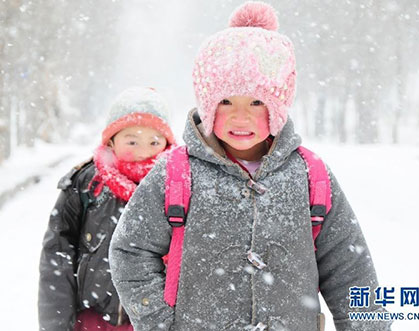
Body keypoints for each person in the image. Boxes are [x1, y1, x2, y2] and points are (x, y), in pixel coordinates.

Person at [108, 3, 392, 331]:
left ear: (277, 104)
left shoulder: (310, 176)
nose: (240, 117)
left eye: (256, 102)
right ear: (209, 104)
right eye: (226, 101)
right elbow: (130, 251)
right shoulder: (177, 173)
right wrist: (158, 320)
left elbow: (350, 270)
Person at [38, 87, 176, 331]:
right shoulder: (86, 184)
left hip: (159, 322)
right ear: (111, 141)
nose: (143, 152)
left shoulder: (180, 186)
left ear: (167, 143)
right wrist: (56, 324)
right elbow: (57, 255)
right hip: (94, 322)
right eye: (132, 141)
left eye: (154, 142)